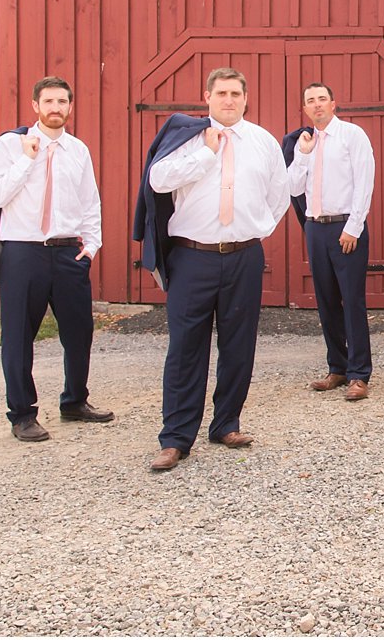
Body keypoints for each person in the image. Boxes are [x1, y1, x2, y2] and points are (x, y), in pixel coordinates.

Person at [140, 67, 290, 471]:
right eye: (221, 93)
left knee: (239, 345)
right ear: (206, 97)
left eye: (236, 93)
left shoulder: (262, 142)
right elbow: (157, 180)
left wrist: (254, 230)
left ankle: (226, 423)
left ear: (246, 97)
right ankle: (175, 439)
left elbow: (279, 195)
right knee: (186, 348)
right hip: (193, 256)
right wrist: (206, 152)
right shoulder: (187, 138)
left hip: (243, 256)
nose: (229, 100)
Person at [0, 76, 112, 442]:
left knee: (79, 330)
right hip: (23, 251)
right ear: (35, 105)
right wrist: (26, 160)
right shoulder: (11, 145)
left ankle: (74, 400)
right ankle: (22, 414)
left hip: (69, 251)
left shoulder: (78, 150)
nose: (55, 108)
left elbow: (90, 201)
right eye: (48, 102)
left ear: (70, 106)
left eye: (62, 102)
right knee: (19, 336)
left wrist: (93, 245)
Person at [287, 82, 376, 402]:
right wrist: (303, 156)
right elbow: (293, 186)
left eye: (322, 99)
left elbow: (365, 182)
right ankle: (337, 367)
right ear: (305, 108)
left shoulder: (353, 136)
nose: (317, 105)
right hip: (316, 227)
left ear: (334, 104)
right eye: (310, 101)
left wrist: (354, 227)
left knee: (352, 301)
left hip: (346, 227)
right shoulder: (304, 142)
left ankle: (359, 374)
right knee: (325, 301)